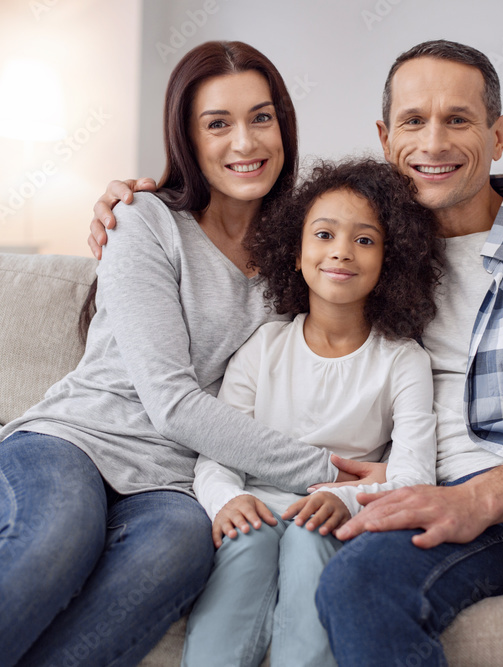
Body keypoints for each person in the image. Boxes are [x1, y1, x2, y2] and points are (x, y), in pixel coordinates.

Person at [89, 40, 503, 667]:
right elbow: (253, 238)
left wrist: (479, 498)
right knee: (356, 588)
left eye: (457, 119)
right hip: (432, 498)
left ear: (498, 134)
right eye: (414, 121)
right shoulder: (365, 250)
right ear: (385, 137)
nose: (432, 143)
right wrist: (142, 199)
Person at [0, 41, 379, 667]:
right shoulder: (144, 220)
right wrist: (324, 467)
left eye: (262, 118)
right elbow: (172, 403)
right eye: (218, 124)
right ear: (187, 137)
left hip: (175, 484)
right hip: (68, 442)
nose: (245, 142)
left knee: (181, 550)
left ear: (284, 126)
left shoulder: (306, 248)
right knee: (59, 536)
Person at [182, 158, 441, 667]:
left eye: (365, 240)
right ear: (296, 255)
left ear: (389, 261)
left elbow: (414, 477)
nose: (342, 251)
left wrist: (348, 499)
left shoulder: (404, 361)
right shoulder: (263, 346)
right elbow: (218, 452)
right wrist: (225, 503)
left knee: (308, 536)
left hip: (335, 518)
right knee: (246, 543)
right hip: (254, 507)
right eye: (324, 234)